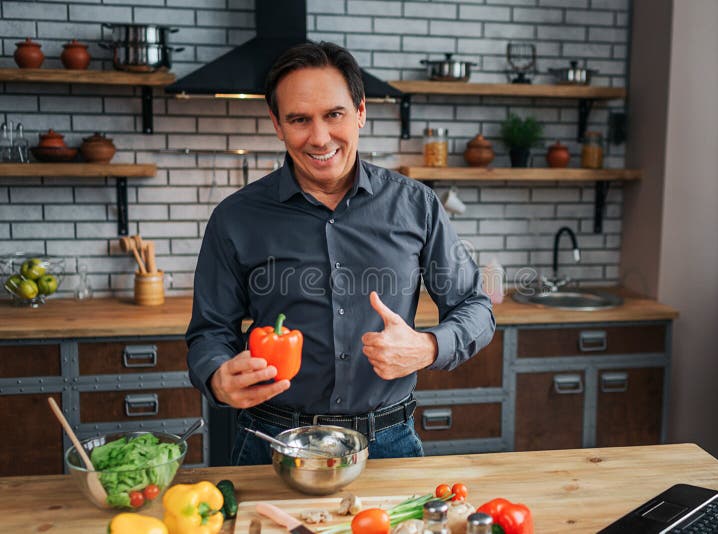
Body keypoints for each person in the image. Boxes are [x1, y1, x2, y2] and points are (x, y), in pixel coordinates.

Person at [186, 41, 495, 465]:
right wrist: (217, 377)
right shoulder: (235, 218)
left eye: (334, 115)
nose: (319, 137)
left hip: (387, 444)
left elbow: (475, 307)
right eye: (299, 119)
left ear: (361, 112)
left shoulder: (416, 205)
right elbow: (209, 332)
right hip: (273, 443)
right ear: (277, 124)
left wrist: (428, 346)